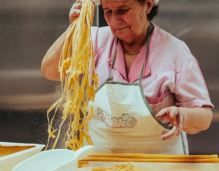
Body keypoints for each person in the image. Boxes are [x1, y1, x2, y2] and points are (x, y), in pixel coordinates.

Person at [41, 0, 213, 154]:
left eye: (123, 11)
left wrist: (183, 116)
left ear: (147, 5)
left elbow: (204, 117)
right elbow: (50, 70)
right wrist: (75, 28)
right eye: (108, 11)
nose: (115, 20)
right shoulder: (93, 40)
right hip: (100, 167)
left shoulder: (175, 52)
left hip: (160, 168)